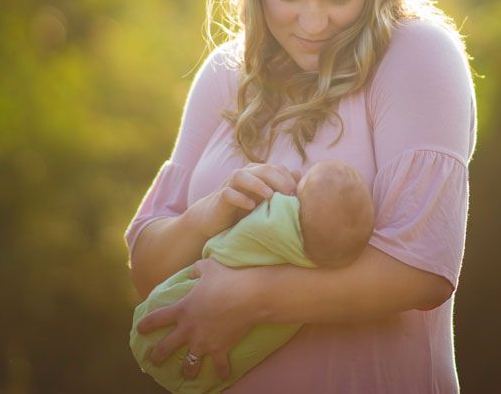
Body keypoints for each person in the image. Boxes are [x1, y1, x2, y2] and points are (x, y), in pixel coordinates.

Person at [125, 0, 477, 393]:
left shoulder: (416, 55)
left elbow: (422, 270)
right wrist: (217, 208)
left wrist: (250, 297)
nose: (312, 24)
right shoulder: (225, 71)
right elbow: (147, 269)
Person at [130, 159, 375, 393]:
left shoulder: (278, 215)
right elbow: (143, 268)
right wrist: (196, 221)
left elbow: (413, 280)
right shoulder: (326, 256)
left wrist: (248, 293)